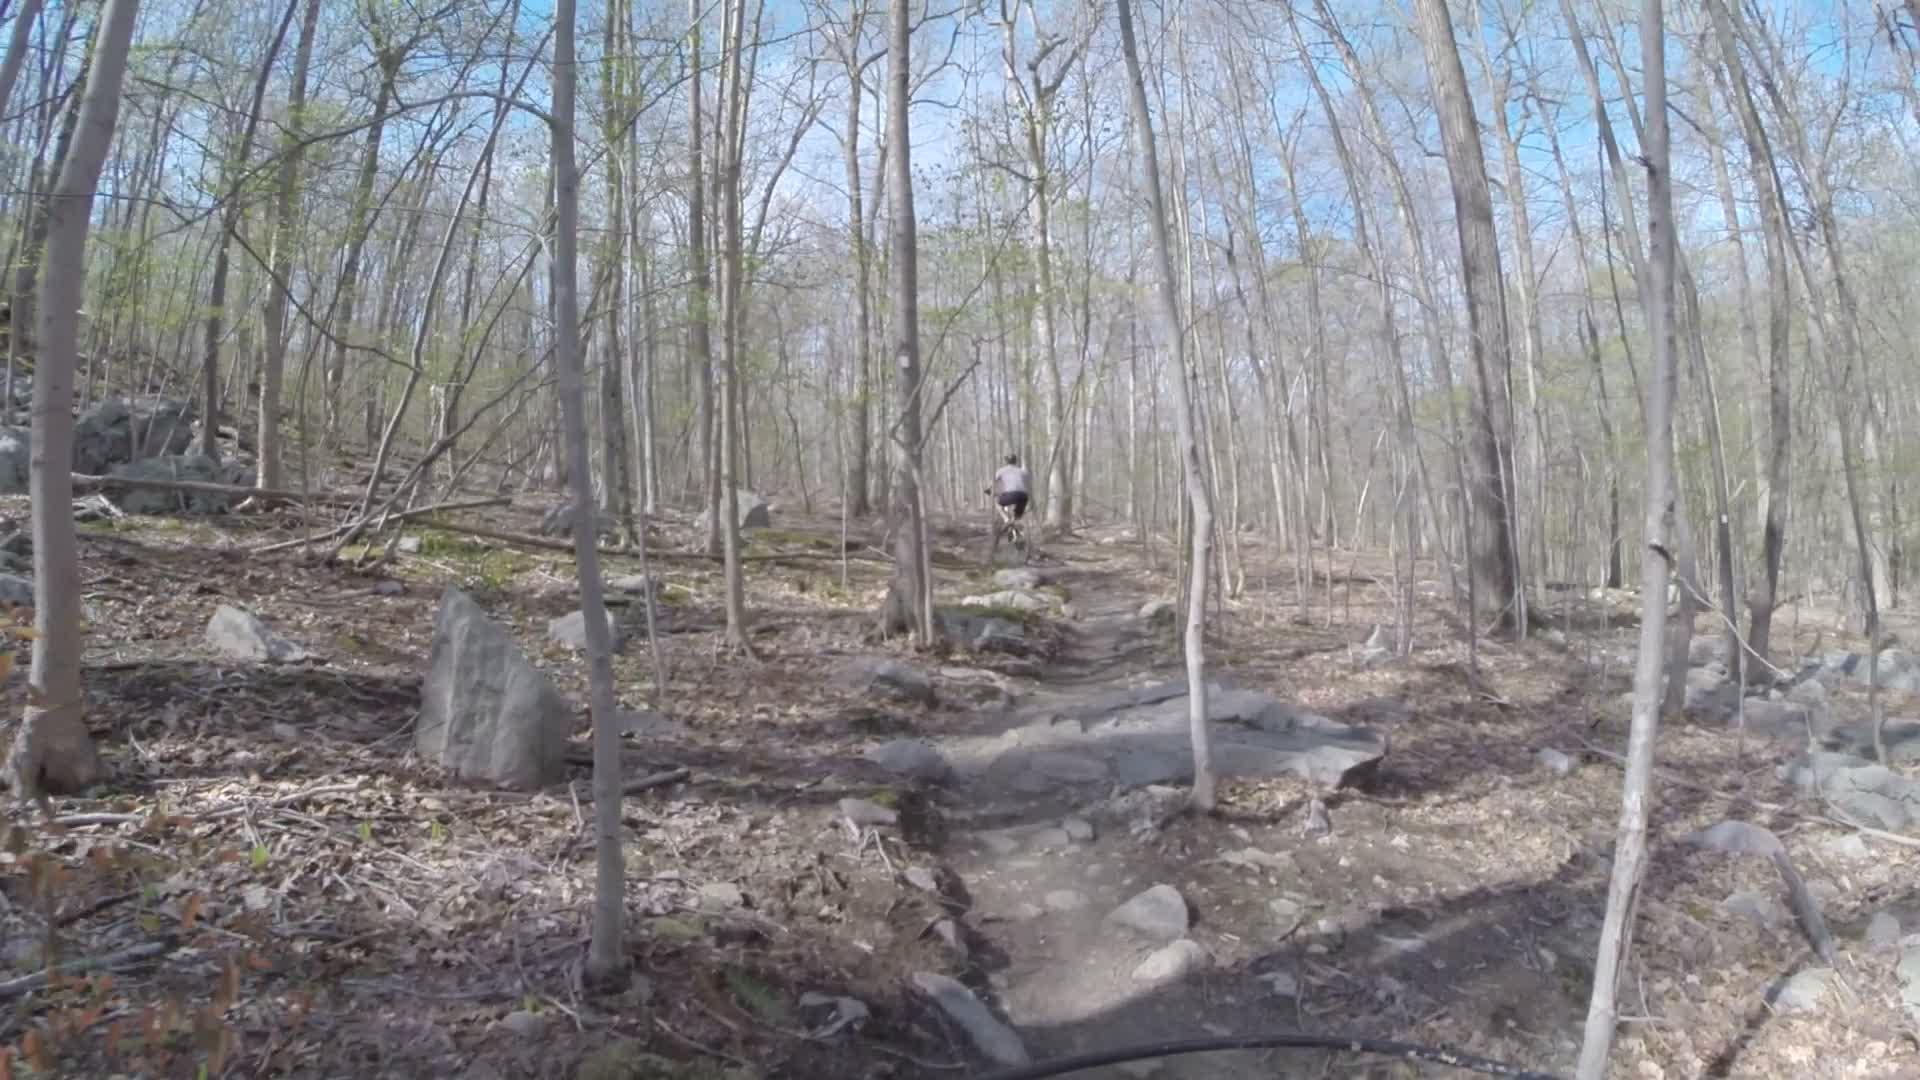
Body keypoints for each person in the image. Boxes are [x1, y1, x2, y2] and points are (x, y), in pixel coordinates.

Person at [991, 453, 1031, 522]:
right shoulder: (1022, 471)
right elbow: (1028, 480)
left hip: (1010, 495)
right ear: (1015, 461)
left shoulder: (1001, 471)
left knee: (997, 503)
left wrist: (992, 492)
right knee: (1018, 515)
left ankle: (1006, 519)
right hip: (1023, 496)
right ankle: (1014, 522)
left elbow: (994, 483)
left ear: (1006, 461)